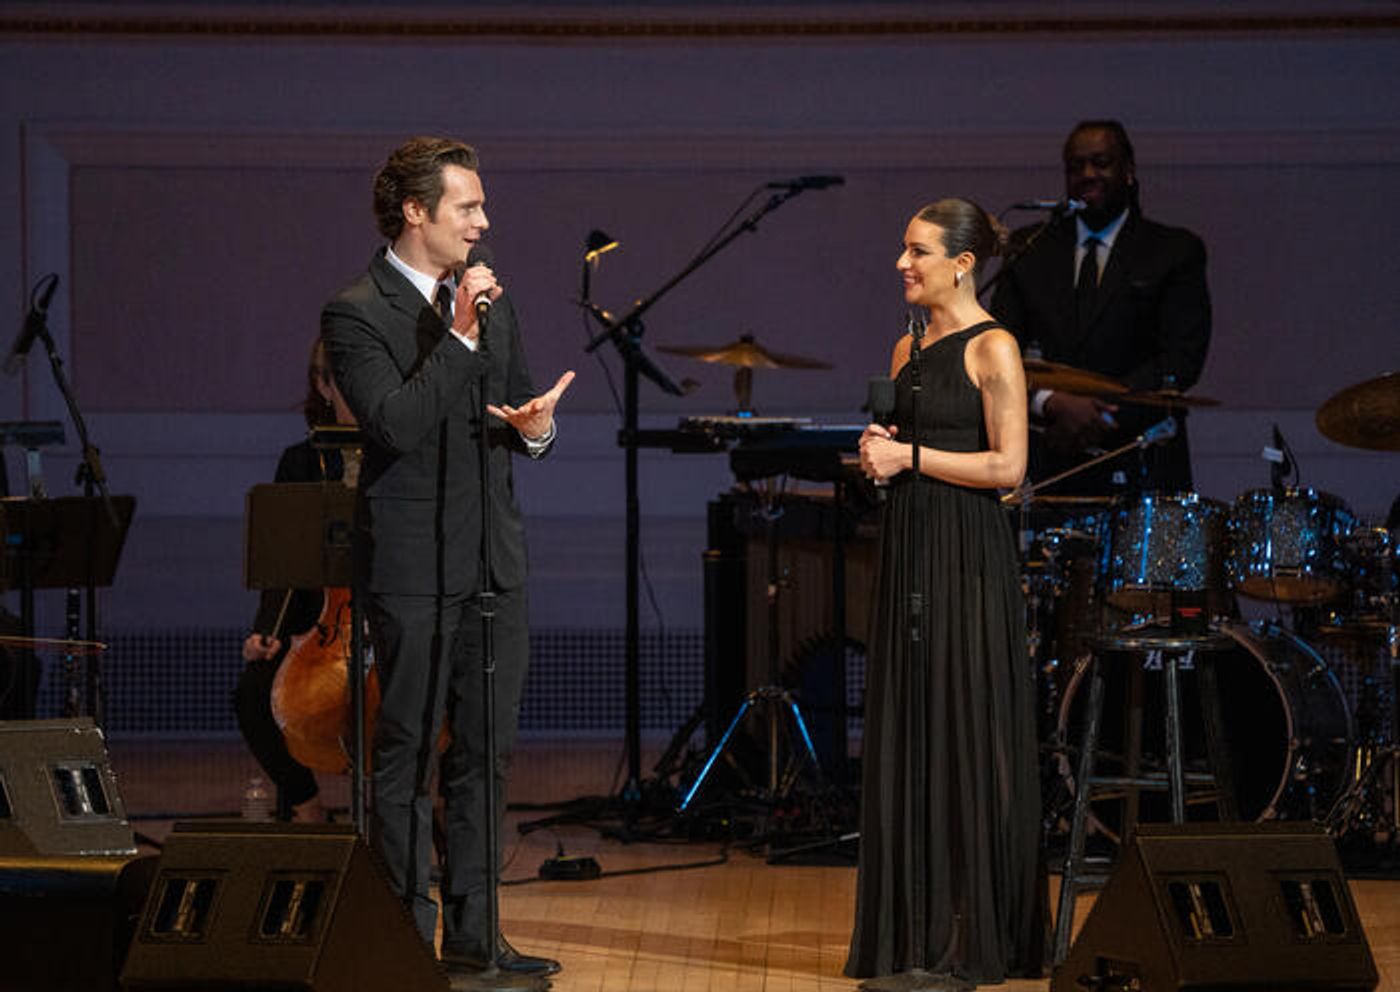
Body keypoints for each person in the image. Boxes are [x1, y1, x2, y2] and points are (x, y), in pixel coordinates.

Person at [321, 136, 573, 980]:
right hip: (411, 563)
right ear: (415, 211)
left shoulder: (490, 298)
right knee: (402, 753)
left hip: (492, 560)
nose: (483, 222)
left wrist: (536, 431)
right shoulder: (356, 310)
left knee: (486, 755)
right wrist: (458, 338)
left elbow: (515, 410)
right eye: (467, 206)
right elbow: (392, 424)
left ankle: (476, 934)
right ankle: (400, 936)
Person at [846, 199, 1043, 990]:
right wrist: (878, 452)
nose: (903, 262)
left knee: (967, 729)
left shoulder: (994, 346)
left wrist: (912, 458)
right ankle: (914, 939)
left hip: (969, 558)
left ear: (962, 262)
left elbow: (1008, 470)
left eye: (918, 250)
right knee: (912, 730)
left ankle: (972, 937)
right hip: (912, 554)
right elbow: (903, 451)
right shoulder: (907, 347)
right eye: (902, 248)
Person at [991, 120, 1211, 495]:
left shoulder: (1173, 250)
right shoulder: (1029, 249)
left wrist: (1095, 412)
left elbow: (1182, 358)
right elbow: (997, 351)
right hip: (1050, 455)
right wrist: (1050, 403)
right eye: (1076, 167)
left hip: (1143, 456)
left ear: (1128, 171)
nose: (1087, 175)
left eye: (1100, 162)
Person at [236, 339, 356, 823]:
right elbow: (284, 563)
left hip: (399, 625)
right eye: (343, 380)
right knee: (253, 695)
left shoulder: (403, 455)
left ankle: (418, 811)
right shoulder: (301, 461)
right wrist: (267, 630)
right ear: (323, 385)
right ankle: (309, 809)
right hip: (322, 627)